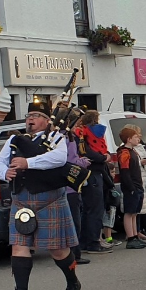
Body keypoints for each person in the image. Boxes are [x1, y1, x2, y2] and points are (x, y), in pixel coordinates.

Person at [0, 101, 81, 290]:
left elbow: (59, 159)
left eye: (35, 115)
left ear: (47, 120)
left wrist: (28, 163)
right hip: (21, 201)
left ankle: (72, 282)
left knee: (57, 250)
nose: (30, 119)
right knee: (19, 246)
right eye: (28, 116)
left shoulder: (56, 138)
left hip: (49, 200)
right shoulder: (14, 139)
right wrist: (4, 173)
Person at [74, 111, 112, 254]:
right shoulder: (88, 134)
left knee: (87, 209)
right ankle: (93, 242)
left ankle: (85, 241)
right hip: (94, 172)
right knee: (95, 209)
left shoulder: (80, 134)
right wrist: (104, 158)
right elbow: (88, 152)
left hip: (88, 173)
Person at [64, 108, 91, 265]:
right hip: (70, 185)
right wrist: (84, 162)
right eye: (77, 123)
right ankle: (75, 254)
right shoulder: (68, 138)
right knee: (74, 220)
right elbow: (71, 160)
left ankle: (67, 253)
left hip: (62, 186)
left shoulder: (57, 136)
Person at [117, 126, 146, 249]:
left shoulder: (133, 151)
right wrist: (131, 188)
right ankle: (130, 237)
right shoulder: (124, 152)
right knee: (129, 212)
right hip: (131, 187)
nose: (138, 139)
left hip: (138, 185)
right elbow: (125, 172)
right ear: (129, 139)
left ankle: (135, 235)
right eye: (135, 137)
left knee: (135, 212)